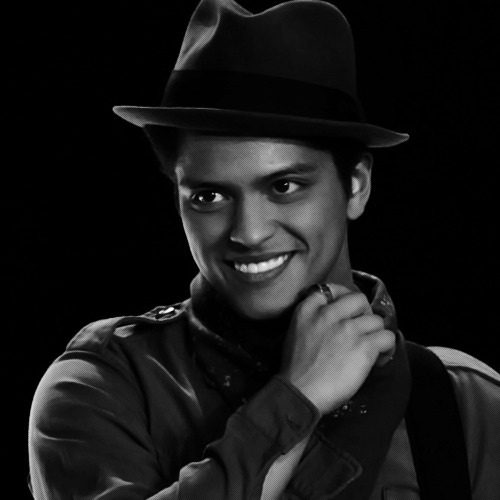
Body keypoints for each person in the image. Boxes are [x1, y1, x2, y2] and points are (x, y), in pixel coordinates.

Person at [28, 0, 500, 499]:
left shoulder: (464, 402)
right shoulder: (101, 388)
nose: (249, 233)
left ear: (356, 184)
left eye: (284, 186)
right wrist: (297, 398)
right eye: (209, 196)